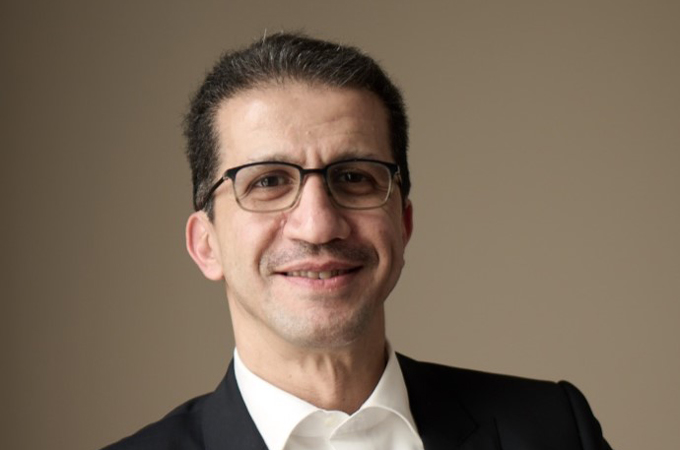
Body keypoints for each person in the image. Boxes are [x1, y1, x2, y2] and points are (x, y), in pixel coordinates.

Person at [103, 32, 612, 450]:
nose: (318, 225)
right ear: (206, 244)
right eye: (268, 182)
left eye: (353, 178)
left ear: (403, 225)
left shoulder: (556, 431)